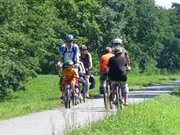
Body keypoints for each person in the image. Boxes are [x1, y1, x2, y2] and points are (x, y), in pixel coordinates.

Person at [58, 34, 80, 99]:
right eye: (68, 41)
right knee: (62, 77)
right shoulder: (63, 47)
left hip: (73, 64)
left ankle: (76, 90)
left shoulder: (75, 47)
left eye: (70, 41)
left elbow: (77, 56)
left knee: (76, 75)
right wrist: (59, 62)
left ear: (73, 41)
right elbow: (60, 56)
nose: (69, 43)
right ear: (65, 42)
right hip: (65, 64)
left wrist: (77, 63)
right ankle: (63, 93)